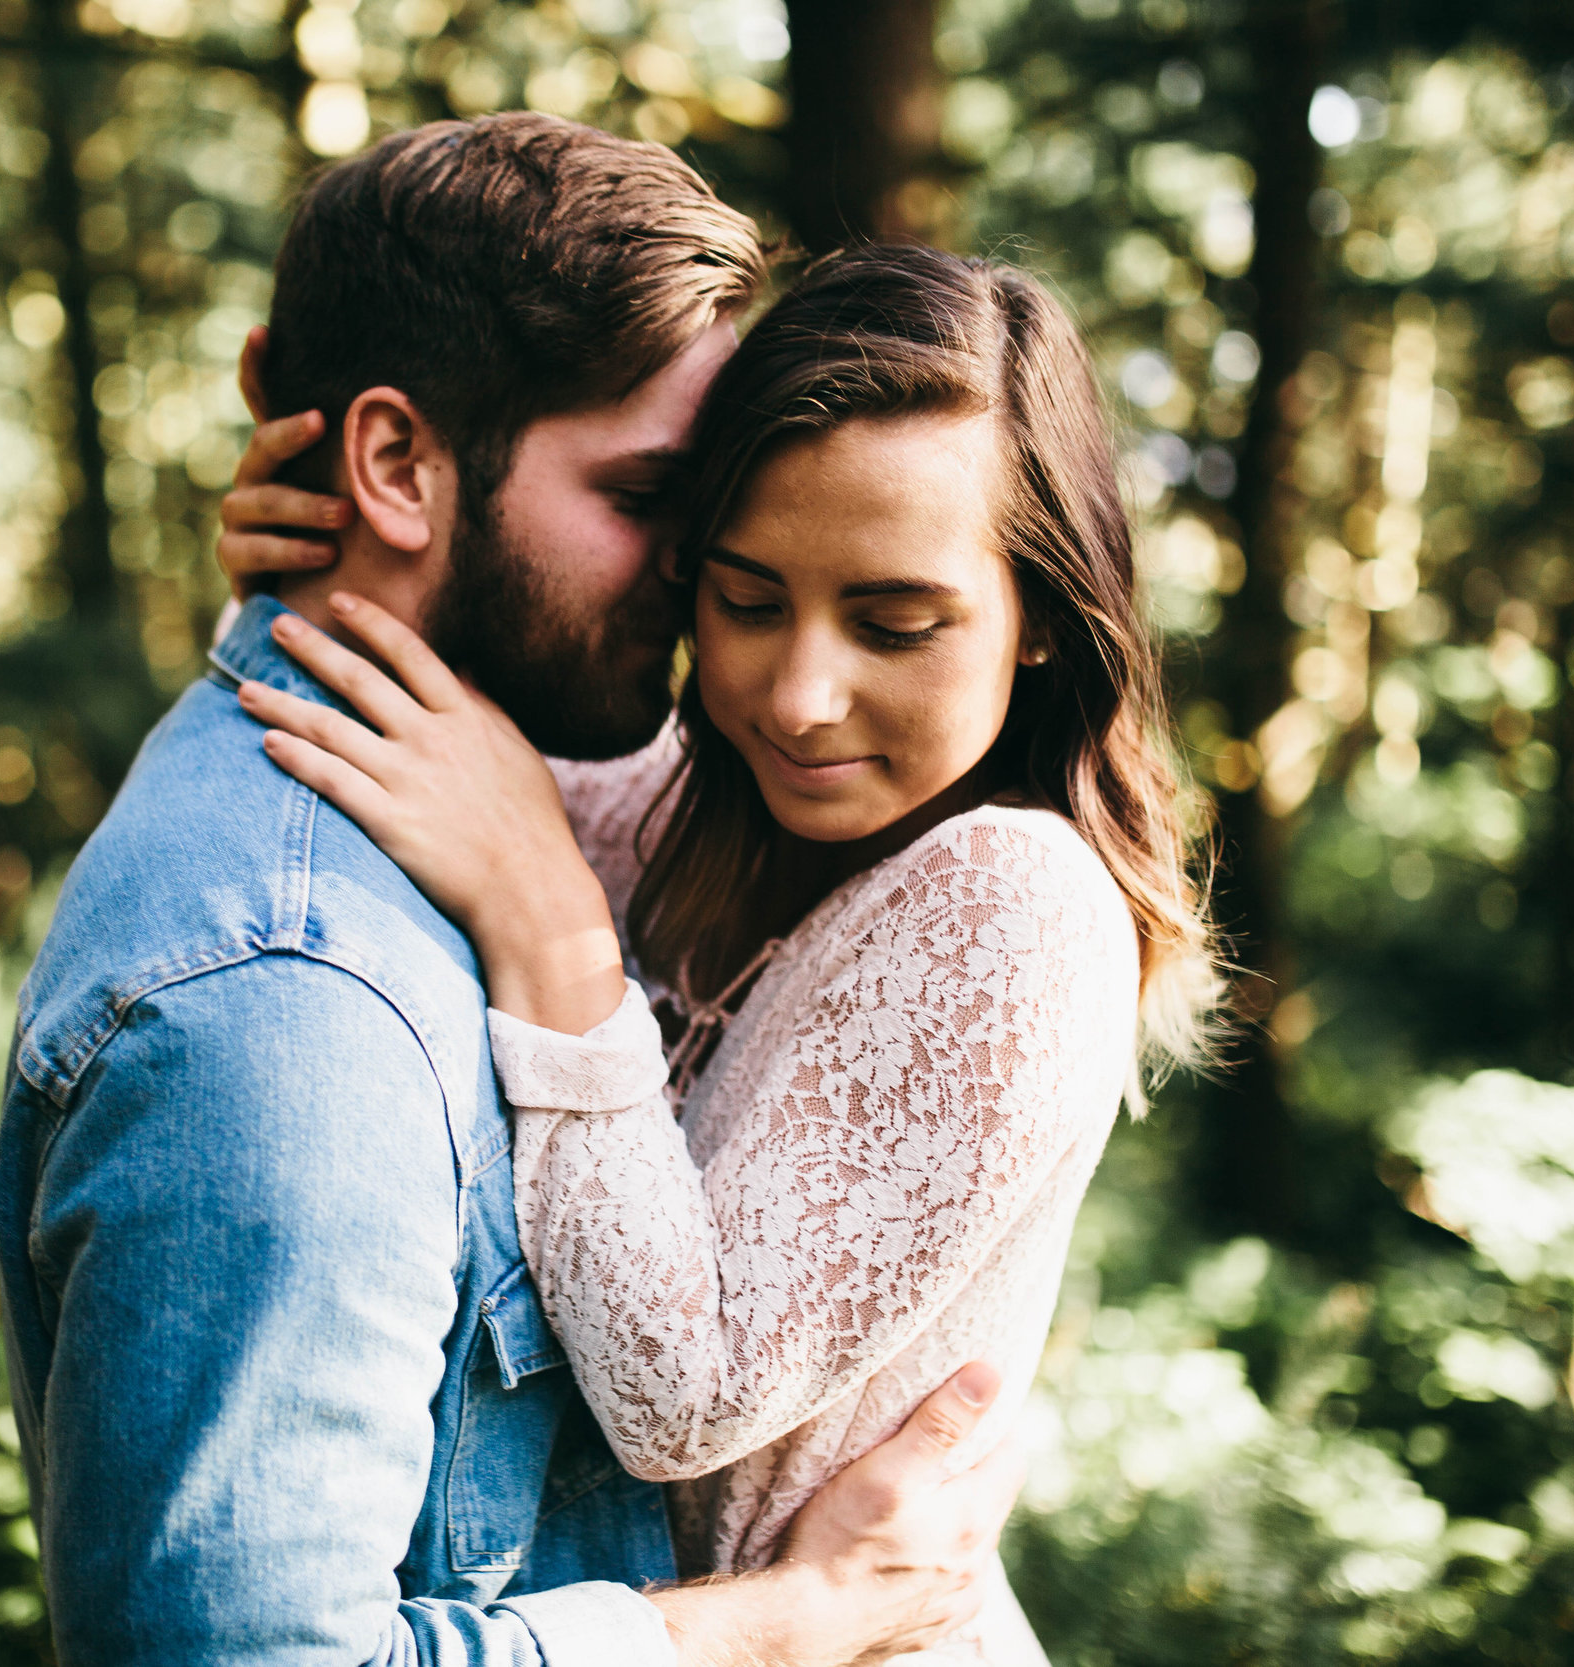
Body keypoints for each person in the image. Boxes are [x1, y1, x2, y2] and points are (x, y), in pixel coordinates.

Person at [0, 115, 1027, 1667]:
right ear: (398, 462)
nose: (703, 571)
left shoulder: (480, 786)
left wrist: (313, 581)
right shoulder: (288, 1021)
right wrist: (775, 1625)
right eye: (646, 501)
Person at [222, 244, 1224, 1665]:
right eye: (747, 601)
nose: (802, 697)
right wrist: (328, 570)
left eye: (896, 623)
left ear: (1048, 622)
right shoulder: (676, 807)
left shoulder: (1018, 905)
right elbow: (398, 768)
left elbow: (681, 1399)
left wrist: (553, 934)